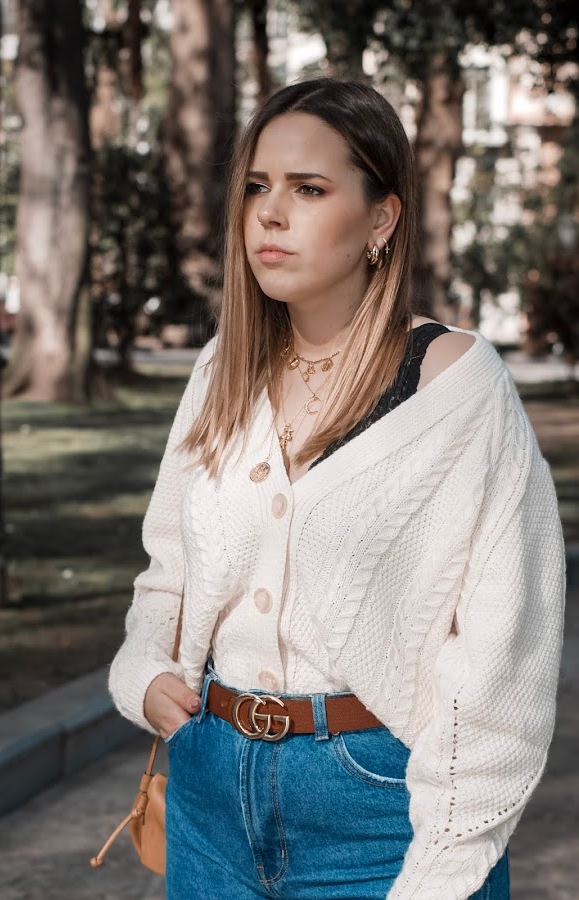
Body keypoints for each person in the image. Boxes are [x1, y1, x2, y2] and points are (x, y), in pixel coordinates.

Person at [108, 79, 566, 899]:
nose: (269, 214)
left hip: (380, 810)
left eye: (308, 189)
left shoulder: (452, 384)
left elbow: (507, 644)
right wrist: (144, 667)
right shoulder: (225, 367)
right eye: (257, 187)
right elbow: (168, 564)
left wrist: (447, 862)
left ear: (381, 219)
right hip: (209, 791)